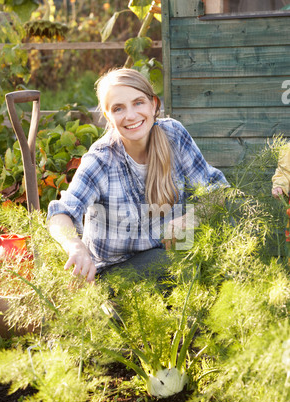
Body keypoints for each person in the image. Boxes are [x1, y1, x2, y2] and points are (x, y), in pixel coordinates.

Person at [47, 67, 229, 283]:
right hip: (118, 274)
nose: (131, 116)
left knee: (227, 230)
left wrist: (191, 218)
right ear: (107, 116)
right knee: (167, 264)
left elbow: (218, 191)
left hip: (176, 258)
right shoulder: (101, 160)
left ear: (153, 104)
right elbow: (61, 214)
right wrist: (75, 246)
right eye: (118, 108)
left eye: (138, 103)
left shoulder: (174, 136)